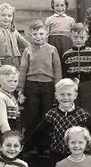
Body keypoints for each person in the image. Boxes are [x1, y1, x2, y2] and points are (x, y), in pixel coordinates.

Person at [18, 20, 62, 156]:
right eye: (35, 34)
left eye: (41, 33)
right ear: (30, 35)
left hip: (48, 85)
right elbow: (23, 70)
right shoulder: (28, 51)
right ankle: (31, 145)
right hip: (31, 85)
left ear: (47, 34)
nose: (38, 36)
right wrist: (20, 89)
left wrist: (58, 88)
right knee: (32, 115)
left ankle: (45, 145)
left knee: (46, 115)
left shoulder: (52, 50)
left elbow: (57, 69)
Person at [62, 23, 91, 113]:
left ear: (87, 37)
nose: (78, 40)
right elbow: (64, 72)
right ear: (70, 36)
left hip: (88, 84)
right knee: (73, 108)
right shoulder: (67, 54)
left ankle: (86, 127)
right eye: (75, 37)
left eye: (82, 37)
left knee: (87, 110)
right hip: (72, 85)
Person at [0, 3, 30, 82]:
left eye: (9, 16)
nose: (6, 18)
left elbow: (24, 44)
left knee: (14, 82)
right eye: (3, 15)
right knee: (3, 83)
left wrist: (35, 49)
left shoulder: (14, 31)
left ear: (12, 18)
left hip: (16, 63)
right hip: (2, 63)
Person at [0, 65, 22, 146]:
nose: (13, 84)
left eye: (15, 81)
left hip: (13, 131)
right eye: (9, 81)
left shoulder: (10, 96)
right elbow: (2, 122)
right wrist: (10, 139)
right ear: (0, 81)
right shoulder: (0, 97)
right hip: (3, 133)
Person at [44, 0, 75, 73]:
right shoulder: (49, 19)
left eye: (62, 5)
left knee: (66, 62)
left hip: (66, 43)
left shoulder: (70, 20)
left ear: (66, 6)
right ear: (53, 7)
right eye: (57, 5)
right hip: (53, 42)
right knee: (55, 62)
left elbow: (73, 34)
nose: (59, 8)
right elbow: (46, 34)